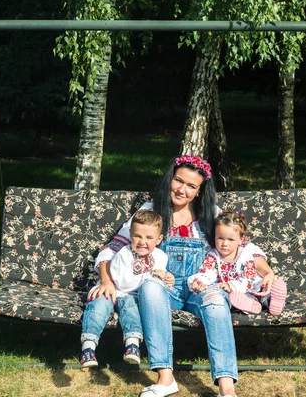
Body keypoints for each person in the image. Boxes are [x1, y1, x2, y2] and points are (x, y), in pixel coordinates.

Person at [89, 155, 277, 397]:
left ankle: (226, 389)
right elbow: (112, 248)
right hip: (164, 287)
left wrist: (268, 271)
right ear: (170, 179)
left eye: (191, 186)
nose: (182, 190)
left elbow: (246, 248)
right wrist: (106, 279)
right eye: (179, 181)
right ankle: (165, 378)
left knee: (217, 300)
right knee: (149, 287)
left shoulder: (211, 213)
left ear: (199, 191)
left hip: (201, 284)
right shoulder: (150, 211)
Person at [80, 209, 173, 368]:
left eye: (149, 237)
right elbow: (122, 282)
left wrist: (166, 278)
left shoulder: (160, 257)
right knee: (98, 307)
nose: (142, 242)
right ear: (130, 234)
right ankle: (88, 347)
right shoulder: (124, 253)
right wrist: (152, 274)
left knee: (132, 309)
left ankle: (132, 345)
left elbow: (155, 284)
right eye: (137, 236)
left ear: (159, 239)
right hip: (112, 289)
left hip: (132, 296)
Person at [187, 211, 287, 316]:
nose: (224, 243)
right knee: (237, 299)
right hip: (240, 295)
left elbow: (248, 280)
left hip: (256, 288)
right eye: (220, 238)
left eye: (230, 239)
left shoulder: (245, 255)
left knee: (264, 297)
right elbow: (207, 272)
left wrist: (230, 286)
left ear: (241, 240)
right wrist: (199, 281)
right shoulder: (213, 255)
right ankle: (253, 306)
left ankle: (276, 300)